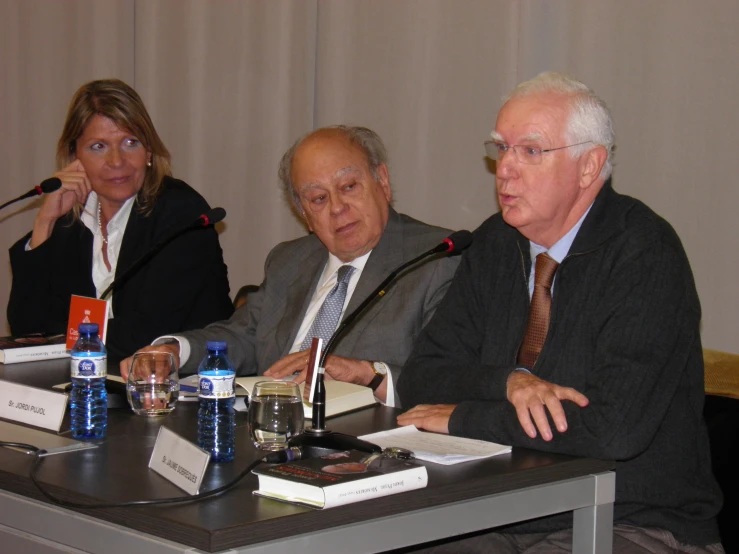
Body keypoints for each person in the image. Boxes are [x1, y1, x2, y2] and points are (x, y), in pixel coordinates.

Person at [397, 72, 723, 552]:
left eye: (530, 151)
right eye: (501, 148)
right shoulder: (493, 243)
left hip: (633, 519)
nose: (504, 169)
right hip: (501, 510)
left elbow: (614, 430)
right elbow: (422, 379)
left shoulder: (645, 252)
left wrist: (467, 417)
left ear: (589, 166)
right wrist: (508, 382)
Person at [123, 125, 460, 405]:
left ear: (382, 182)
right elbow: (242, 336)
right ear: (303, 213)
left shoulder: (436, 259)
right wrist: (172, 351)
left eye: (348, 186)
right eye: (318, 198)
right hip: (266, 430)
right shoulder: (289, 260)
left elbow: (450, 376)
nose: (337, 207)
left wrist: (368, 374)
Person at [7, 79, 233, 359]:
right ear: (74, 156)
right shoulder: (70, 222)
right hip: (91, 383)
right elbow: (27, 330)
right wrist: (45, 222)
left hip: (184, 387)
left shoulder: (181, 212)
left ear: (149, 151)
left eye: (130, 143)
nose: (116, 161)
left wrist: (59, 335)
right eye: (98, 146)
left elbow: (145, 334)